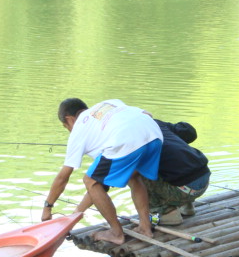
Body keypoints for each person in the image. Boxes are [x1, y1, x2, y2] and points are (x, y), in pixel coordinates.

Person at [42, 98, 163, 245]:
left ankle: (116, 233)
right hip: (154, 134)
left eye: (65, 126)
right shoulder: (108, 103)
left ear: (69, 119)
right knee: (134, 176)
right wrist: (76, 214)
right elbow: (148, 114)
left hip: (126, 141)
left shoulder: (79, 129)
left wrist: (48, 207)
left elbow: (63, 178)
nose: (68, 130)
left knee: (89, 181)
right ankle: (145, 227)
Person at [142, 119, 211, 226]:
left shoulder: (127, 135)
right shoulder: (154, 122)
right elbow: (189, 132)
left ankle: (166, 212)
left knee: (139, 172)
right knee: (178, 153)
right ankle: (187, 206)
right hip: (205, 179)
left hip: (185, 189)